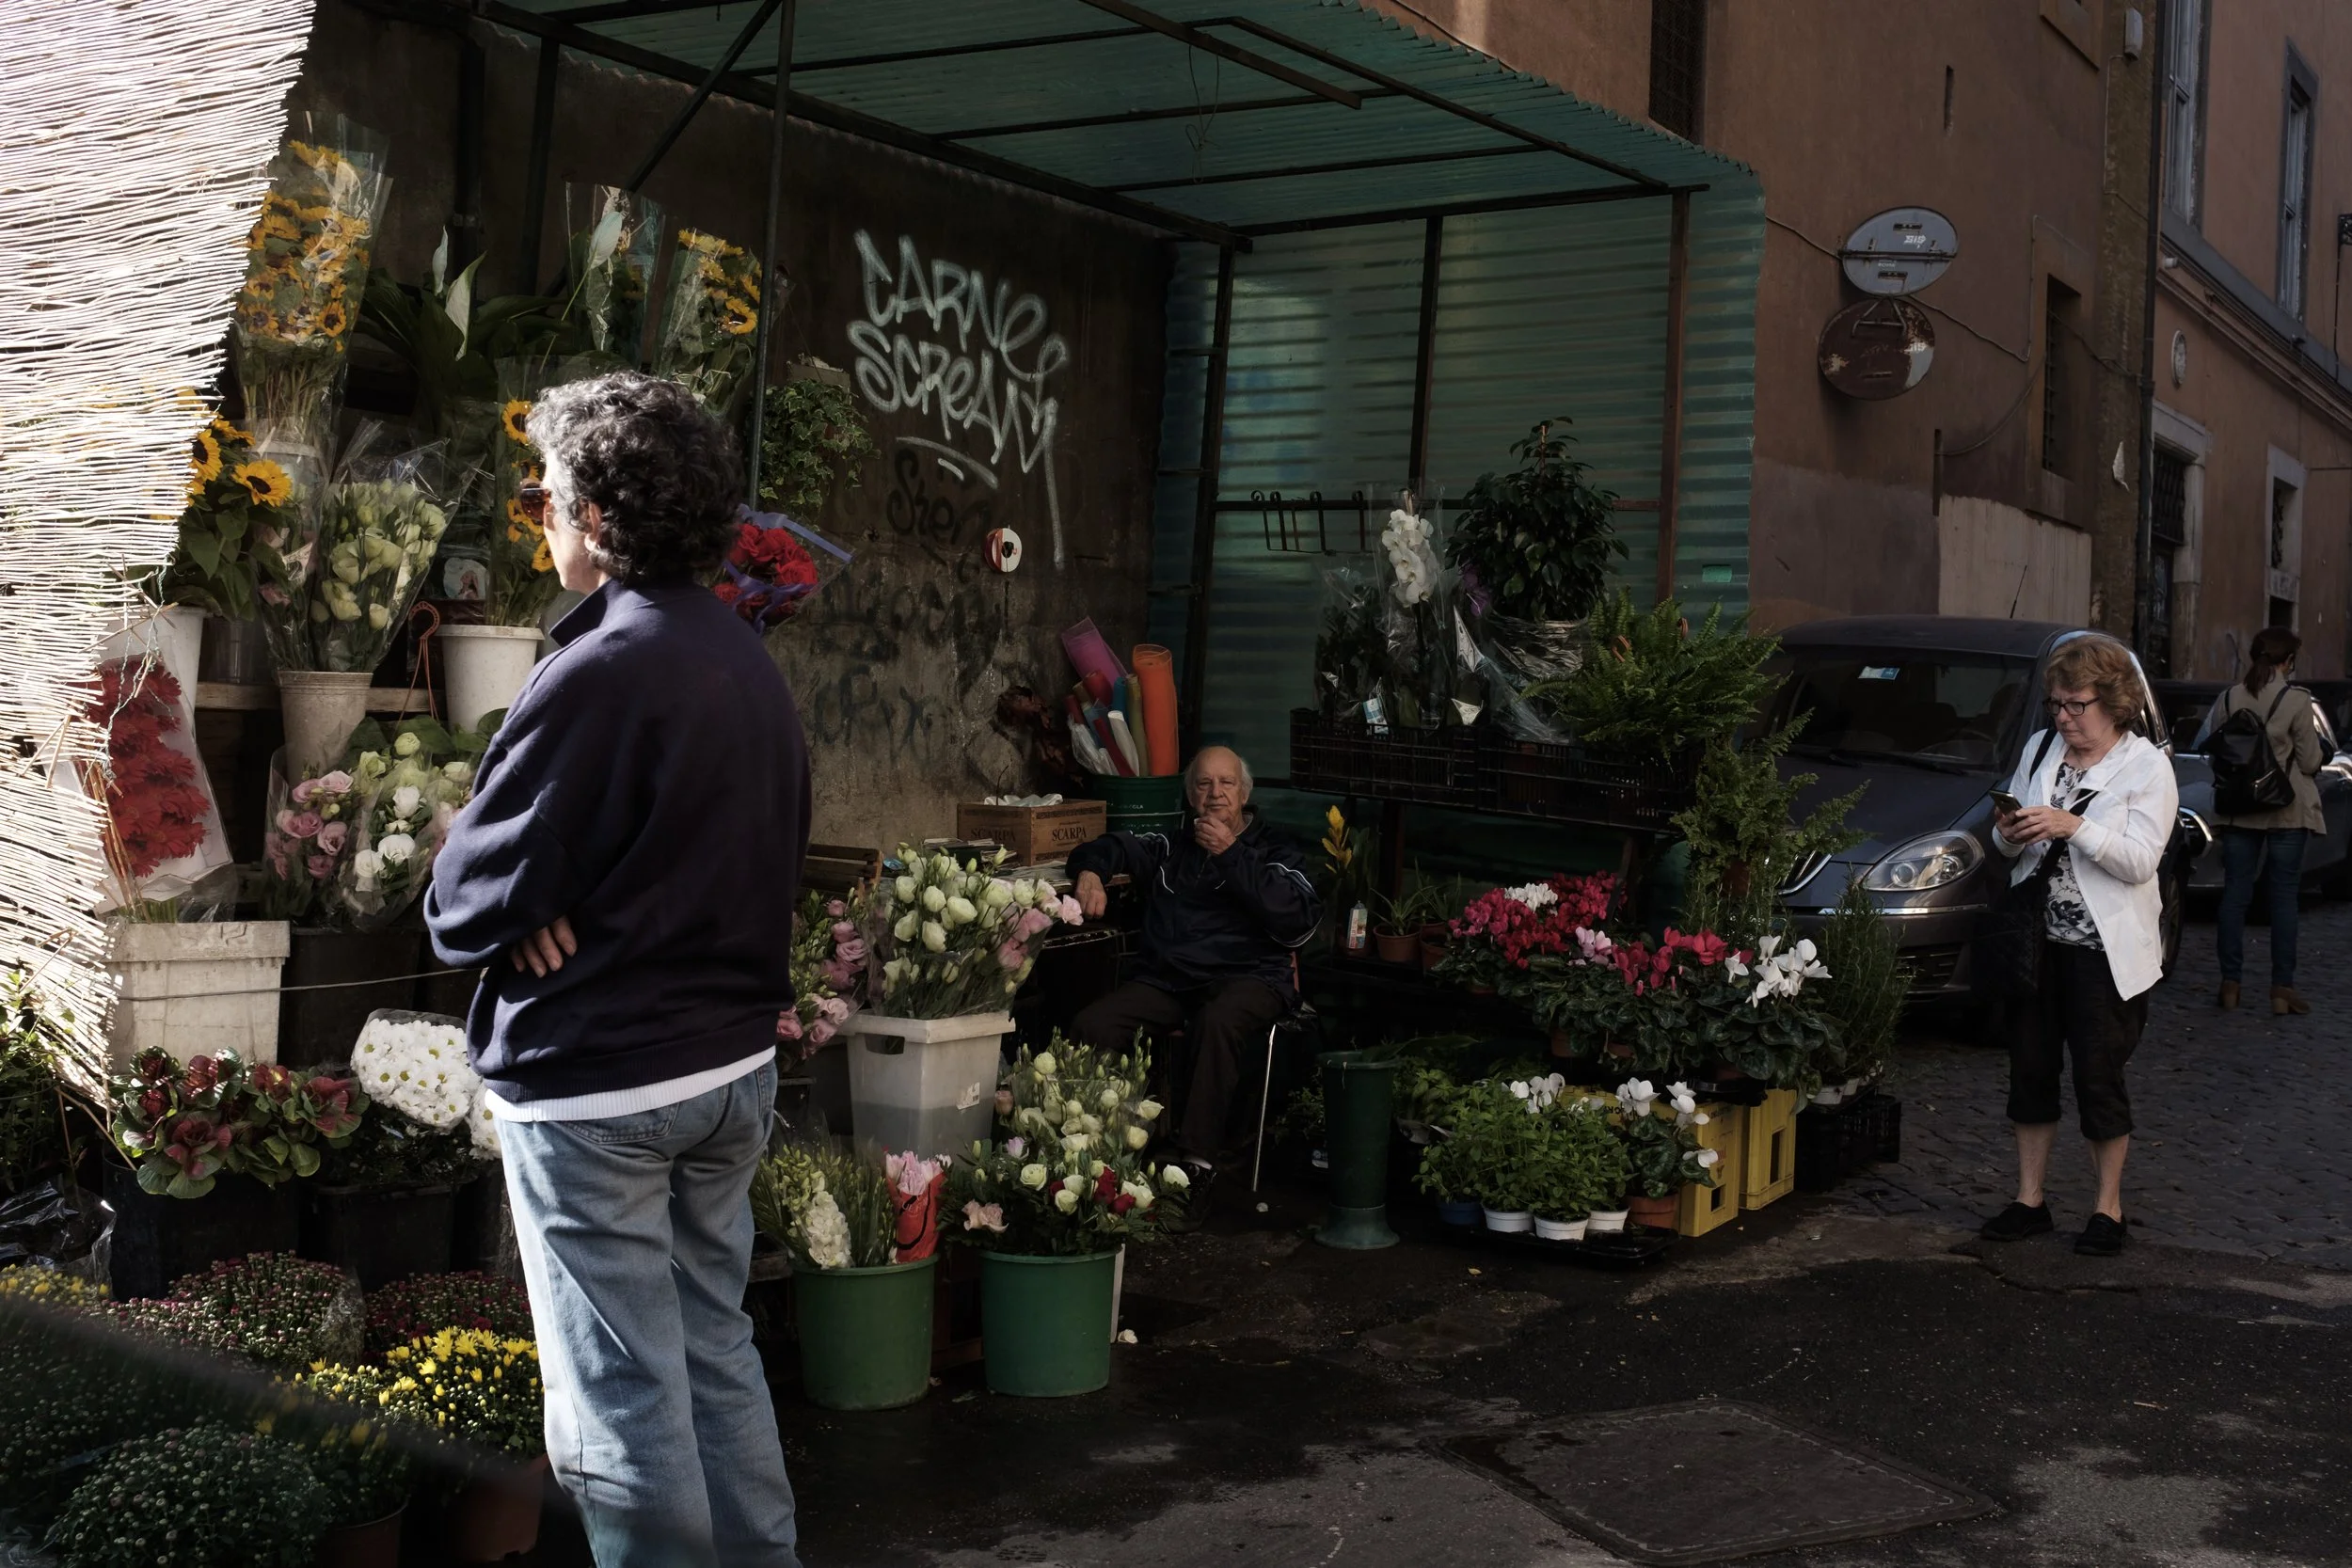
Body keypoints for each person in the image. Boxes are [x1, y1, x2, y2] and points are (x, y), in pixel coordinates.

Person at [426, 372, 808, 1568]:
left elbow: (465, 899)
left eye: (542, 492)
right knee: (713, 1357)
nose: (534, 513)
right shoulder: (744, 661)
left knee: (619, 1405)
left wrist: (492, 876)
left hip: (605, 1087)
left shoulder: (601, 668)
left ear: (596, 516)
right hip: (728, 1069)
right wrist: (537, 896)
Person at [1978, 635, 2176, 1258]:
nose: (2063, 717)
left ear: (2113, 702)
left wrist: (2074, 826)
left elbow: (2142, 860)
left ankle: (2107, 1209)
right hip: (2036, 942)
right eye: (2055, 704)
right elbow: (2007, 846)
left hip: (2103, 951)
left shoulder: (2147, 767)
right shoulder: (2041, 750)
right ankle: (2029, 1198)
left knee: (2098, 1076)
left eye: (2076, 704)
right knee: (2030, 1070)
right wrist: (2010, 831)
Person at [1067, 747, 1320, 1206]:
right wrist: (1089, 872)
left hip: (1252, 979)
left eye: (1226, 784)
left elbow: (1297, 918)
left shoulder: (1274, 850)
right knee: (1094, 1024)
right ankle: (1098, 1155)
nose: (1215, 793)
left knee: (1216, 1021)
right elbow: (1114, 844)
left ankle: (1195, 1166)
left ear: (1244, 793)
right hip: (1171, 981)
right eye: (1204, 784)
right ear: (1190, 796)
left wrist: (1231, 854)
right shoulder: (1172, 846)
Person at [2199, 626, 2327, 1015]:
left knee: (2235, 894)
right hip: (2286, 807)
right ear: (2288, 662)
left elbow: (2214, 750)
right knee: (2284, 896)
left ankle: (2230, 983)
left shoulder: (2229, 697)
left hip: (2240, 808)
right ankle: (2281, 990)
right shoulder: (2296, 699)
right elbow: (2308, 761)